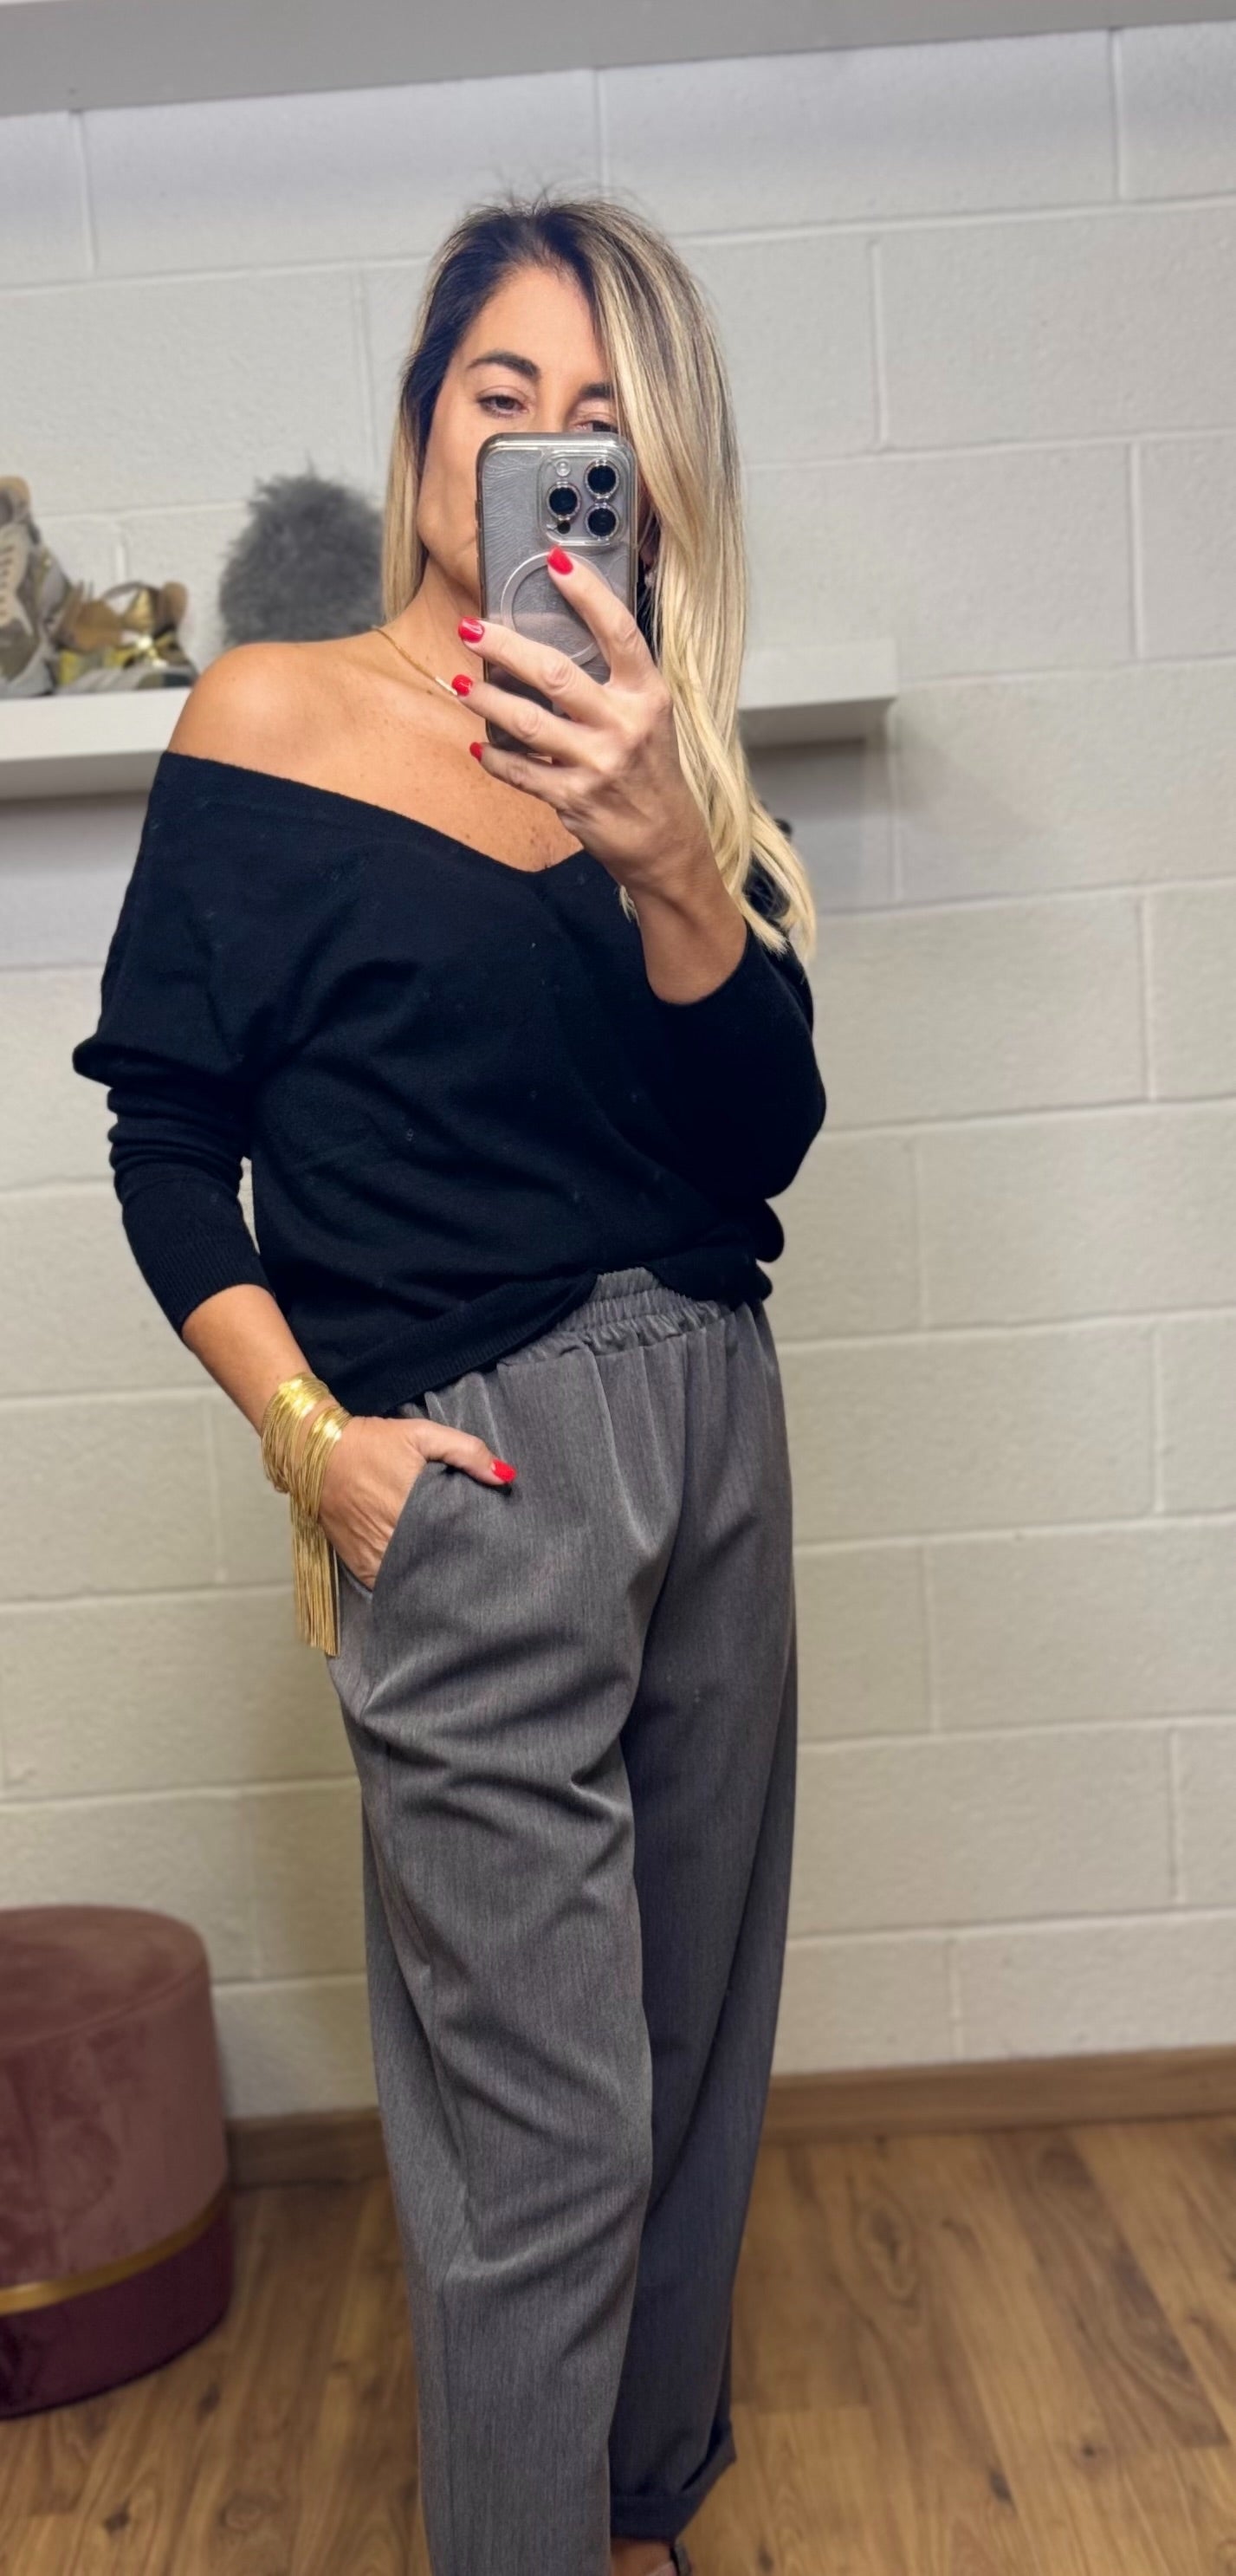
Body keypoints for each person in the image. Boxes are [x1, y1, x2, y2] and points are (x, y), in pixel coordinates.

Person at [71, 189, 827, 2576]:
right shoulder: (269, 720)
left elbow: (759, 1141)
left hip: (713, 1426)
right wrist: (317, 1451)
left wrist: (672, 864)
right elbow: (167, 1141)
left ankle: (633, 2513)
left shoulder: (667, 759)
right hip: (472, 1465)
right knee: (543, 2133)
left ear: (654, 484)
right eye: (503, 396)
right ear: (421, 432)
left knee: (690, 2062)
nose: (541, 445)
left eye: (601, 419)